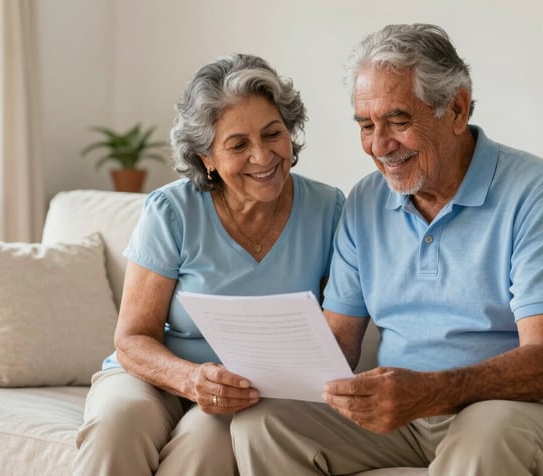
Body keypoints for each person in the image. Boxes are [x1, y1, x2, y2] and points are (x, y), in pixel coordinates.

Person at [230, 23, 543, 476]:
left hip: (527, 410)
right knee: (262, 423)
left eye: (399, 120)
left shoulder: (537, 193)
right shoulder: (365, 202)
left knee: (485, 433)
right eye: (366, 125)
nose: (380, 145)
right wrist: (256, 368)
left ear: (457, 108)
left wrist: (430, 391)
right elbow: (337, 344)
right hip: (405, 421)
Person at [73, 53, 345, 476]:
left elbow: (336, 333)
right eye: (238, 145)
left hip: (249, 393)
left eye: (274, 134)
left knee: (207, 447)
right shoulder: (171, 210)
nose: (263, 156)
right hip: (155, 375)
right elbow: (132, 339)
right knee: (118, 423)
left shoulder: (328, 208)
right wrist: (191, 380)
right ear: (206, 158)